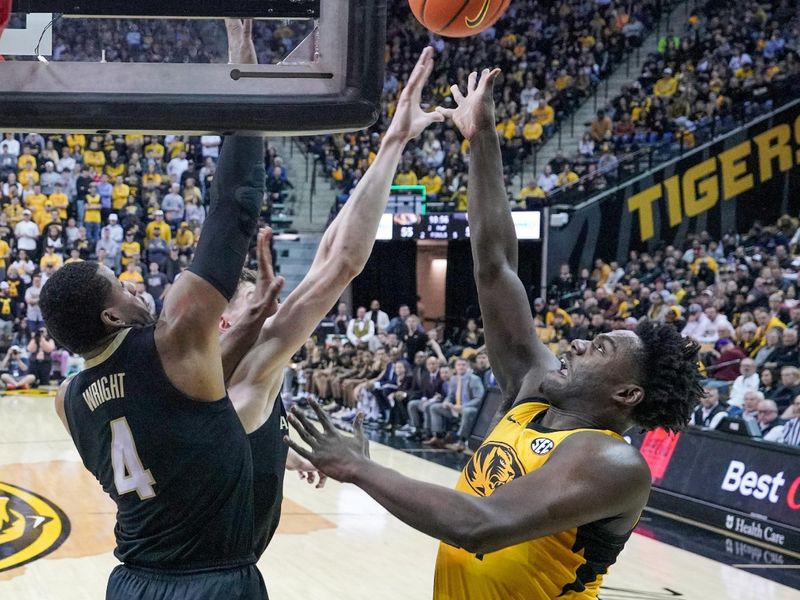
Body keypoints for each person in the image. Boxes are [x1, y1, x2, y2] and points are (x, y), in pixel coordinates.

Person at [285, 68, 702, 600]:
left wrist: (357, 467)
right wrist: (482, 139)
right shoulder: (533, 391)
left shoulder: (610, 462)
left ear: (626, 393)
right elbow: (496, 266)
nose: (576, 343)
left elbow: (478, 524)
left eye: (600, 348)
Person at [40, 20, 285, 600]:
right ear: (111, 317)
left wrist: (245, 332)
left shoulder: (68, 401)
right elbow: (233, 208)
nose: (135, 287)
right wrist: (241, 70)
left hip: (131, 579)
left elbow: (165, 409)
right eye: (119, 286)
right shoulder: (176, 338)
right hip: (209, 579)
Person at [216, 45, 444, 565]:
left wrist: (280, 450)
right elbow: (339, 264)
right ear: (228, 318)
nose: (272, 303)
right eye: (259, 299)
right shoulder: (256, 362)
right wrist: (393, 142)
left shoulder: (190, 364)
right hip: (217, 573)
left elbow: (326, 256)